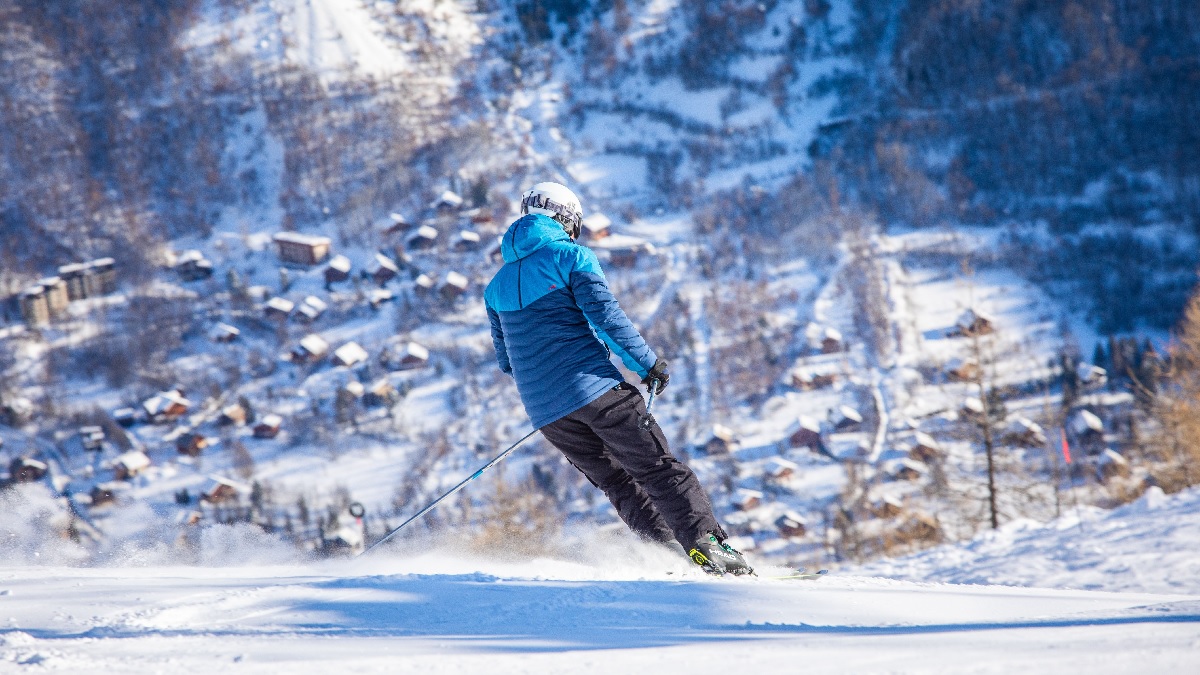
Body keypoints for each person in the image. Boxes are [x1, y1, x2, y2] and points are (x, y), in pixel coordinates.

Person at [483, 181, 752, 575]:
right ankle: (710, 550)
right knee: (658, 468)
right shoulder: (572, 257)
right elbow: (607, 319)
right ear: (566, 218)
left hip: (547, 415)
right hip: (596, 392)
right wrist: (648, 366)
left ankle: (668, 557)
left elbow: (507, 362)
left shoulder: (495, 288)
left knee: (619, 484)